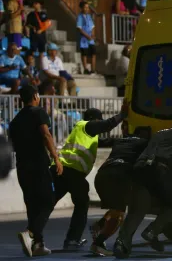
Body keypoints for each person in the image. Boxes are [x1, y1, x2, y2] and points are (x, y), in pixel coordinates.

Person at [113, 123, 172, 259]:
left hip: (140, 168)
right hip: (160, 169)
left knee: (137, 210)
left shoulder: (159, 133)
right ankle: (151, 231)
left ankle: (121, 243)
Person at [49, 104, 128, 250]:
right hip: (72, 171)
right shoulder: (86, 125)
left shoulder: (88, 134)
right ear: (94, 119)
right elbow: (107, 125)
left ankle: (33, 234)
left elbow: (108, 141)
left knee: (49, 202)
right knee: (82, 203)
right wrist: (122, 115)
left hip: (61, 170)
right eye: (99, 120)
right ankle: (72, 240)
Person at [8, 84, 62, 257]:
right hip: (38, 164)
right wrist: (56, 157)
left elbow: (13, 146)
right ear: (36, 96)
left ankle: (38, 245)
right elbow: (46, 135)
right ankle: (30, 233)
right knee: (48, 200)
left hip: (22, 167)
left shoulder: (15, 121)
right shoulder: (38, 112)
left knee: (32, 205)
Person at [89, 126, 151, 256]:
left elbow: (104, 140)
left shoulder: (120, 141)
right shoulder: (145, 142)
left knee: (116, 207)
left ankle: (99, 225)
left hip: (102, 174)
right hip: (119, 174)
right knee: (119, 215)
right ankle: (98, 243)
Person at [77, 1, 96, 74]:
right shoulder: (80, 17)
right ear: (81, 8)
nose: (87, 9)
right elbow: (79, 29)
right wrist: (87, 36)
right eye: (85, 7)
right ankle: (85, 69)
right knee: (84, 54)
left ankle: (93, 69)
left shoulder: (89, 16)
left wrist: (92, 35)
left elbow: (92, 27)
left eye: (88, 7)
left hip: (90, 39)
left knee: (93, 53)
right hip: (84, 39)